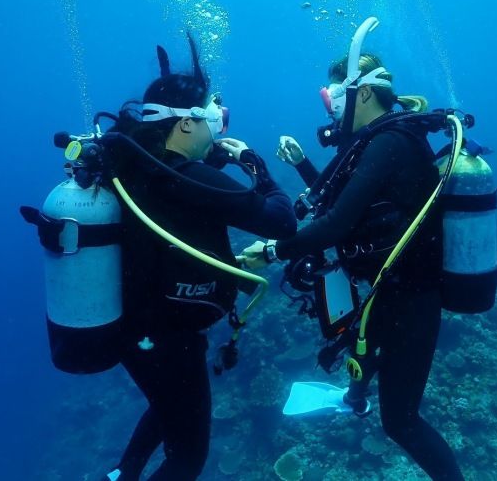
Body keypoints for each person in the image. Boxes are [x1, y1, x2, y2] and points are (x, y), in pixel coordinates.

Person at [241, 30, 465, 480]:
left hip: (412, 298)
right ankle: (353, 398)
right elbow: (345, 204)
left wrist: (273, 250)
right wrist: (303, 164)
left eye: (333, 97)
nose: (329, 108)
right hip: (391, 289)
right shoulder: (378, 140)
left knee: (401, 422)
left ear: (361, 94)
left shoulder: (388, 143)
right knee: (362, 351)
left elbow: (336, 223)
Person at [103, 35, 296, 481]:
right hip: (171, 339)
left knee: (165, 406)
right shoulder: (188, 177)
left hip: (133, 333)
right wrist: (254, 164)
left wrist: (213, 167)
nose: (219, 128)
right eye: (214, 118)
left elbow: (189, 196)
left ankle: (121, 475)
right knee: (187, 459)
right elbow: (282, 222)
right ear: (187, 124)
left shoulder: (138, 168)